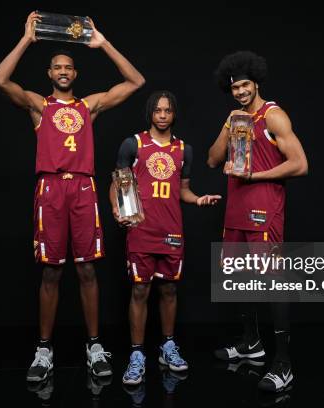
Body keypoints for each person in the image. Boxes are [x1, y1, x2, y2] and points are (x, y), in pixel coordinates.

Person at [0, 11, 145, 381]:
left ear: (75, 74)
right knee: (51, 272)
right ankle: (44, 350)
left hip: (83, 187)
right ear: (50, 74)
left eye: (68, 66)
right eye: (57, 66)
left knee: (87, 268)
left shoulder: (87, 106)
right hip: (51, 188)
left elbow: (136, 81)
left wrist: (101, 42)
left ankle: (94, 346)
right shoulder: (39, 106)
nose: (62, 71)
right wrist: (28, 37)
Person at [207, 51, 308, 392]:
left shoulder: (274, 116)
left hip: (264, 209)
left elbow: (300, 164)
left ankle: (283, 364)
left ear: (256, 82)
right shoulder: (235, 118)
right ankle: (251, 343)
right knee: (238, 276)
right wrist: (228, 122)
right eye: (235, 88)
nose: (241, 92)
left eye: (246, 85)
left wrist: (257, 176)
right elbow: (212, 160)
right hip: (236, 209)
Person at [110, 91, 221, 385]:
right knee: (140, 291)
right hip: (141, 229)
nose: (162, 115)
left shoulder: (185, 150)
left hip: (172, 230)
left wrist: (198, 200)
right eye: (157, 110)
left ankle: (168, 346)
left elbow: (183, 190)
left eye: (167, 111)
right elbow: (118, 182)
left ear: (174, 115)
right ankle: (136, 354)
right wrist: (116, 210)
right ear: (151, 113)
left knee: (169, 290)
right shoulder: (133, 144)